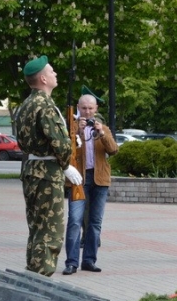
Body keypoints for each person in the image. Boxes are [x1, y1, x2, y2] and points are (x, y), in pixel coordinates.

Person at [14, 55, 81, 277]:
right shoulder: (45, 105)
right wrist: (66, 163)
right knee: (50, 231)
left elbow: (25, 141)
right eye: (51, 72)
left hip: (31, 170)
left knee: (36, 229)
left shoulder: (25, 105)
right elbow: (60, 144)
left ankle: (31, 275)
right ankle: (40, 280)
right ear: (43, 79)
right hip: (48, 173)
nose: (55, 74)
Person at [62, 91, 118, 275]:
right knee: (75, 221)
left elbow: (113, 150)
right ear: (78, 108)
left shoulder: (103, 128)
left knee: (95, 223)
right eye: (84, 108)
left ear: (96, 109)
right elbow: (65, 149)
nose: (87, 112)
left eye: (90, 108)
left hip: (99, 180)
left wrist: (102, 133)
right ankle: (71, 262)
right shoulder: (71, 127)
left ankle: (89, 260)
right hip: (79, 179)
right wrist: (77, 131)